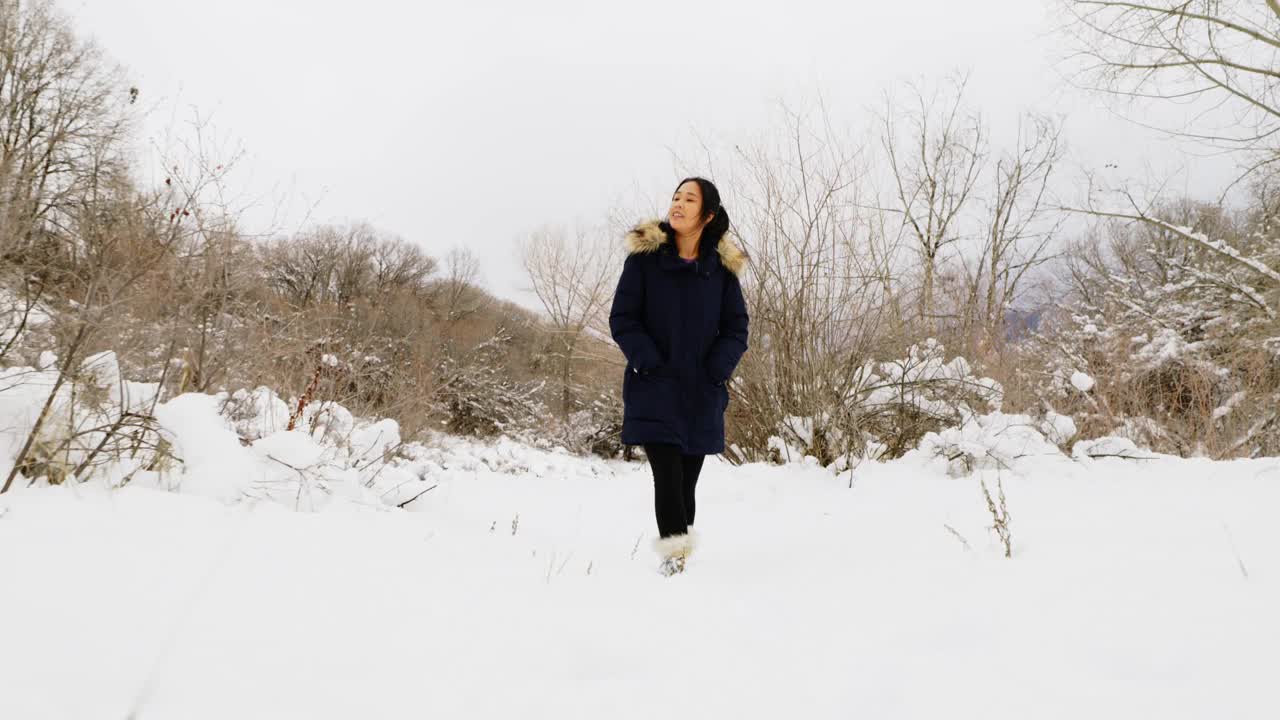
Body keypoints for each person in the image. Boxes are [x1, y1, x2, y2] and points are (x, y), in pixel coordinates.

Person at [608, 177, 749, 576]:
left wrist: (716, 371)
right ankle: (673, 562)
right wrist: (648, 361)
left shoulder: (721, 271)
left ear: (707, 215)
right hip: (654, 386)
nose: (678, 204)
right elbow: (623, 317)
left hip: (701, 392)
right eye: (675, 197)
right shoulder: (644, 260)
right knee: (667, 474)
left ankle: (680, 556)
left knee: (686, 482)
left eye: (689, 199)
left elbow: (736, 328)